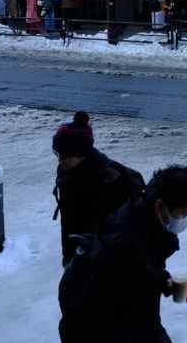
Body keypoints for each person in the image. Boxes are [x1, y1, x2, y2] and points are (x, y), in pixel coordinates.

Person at [59, 165, 187, 343]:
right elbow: (144, 332)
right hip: (96, 339)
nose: (184, 220)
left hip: (101, 325)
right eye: (184, 214)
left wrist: (164, 281)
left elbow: (142, 267)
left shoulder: (141, 216)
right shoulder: (127, 245)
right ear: (161, 207)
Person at [52, 111, 143, 267]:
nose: (60, 161)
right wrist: (68, 259)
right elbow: (68, 222)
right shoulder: (68, 174)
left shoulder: (111, 181)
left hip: (105, 264)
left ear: (82, 155)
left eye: (65, 156)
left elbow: (118, 233)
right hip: (78, 255)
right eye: (57, 154)